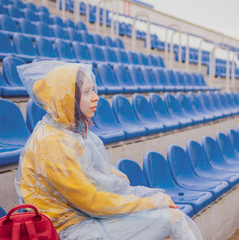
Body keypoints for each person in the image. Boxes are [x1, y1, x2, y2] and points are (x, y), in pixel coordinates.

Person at [15, 61, 202, 240]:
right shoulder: (53, 143)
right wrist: (151, 202)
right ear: (66, 99)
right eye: (87, 92)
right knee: (174, 220)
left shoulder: (65, 133)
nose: (96, 97)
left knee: (168, 231)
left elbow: (94, 176)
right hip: (69, 231)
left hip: (83, 221)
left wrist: (115, 178)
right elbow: (93, 202)